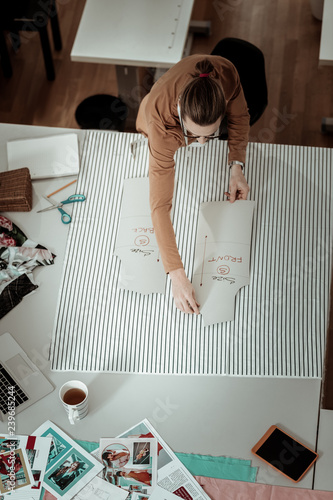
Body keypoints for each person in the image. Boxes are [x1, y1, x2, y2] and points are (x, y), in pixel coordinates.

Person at [136, 55, 250, 314]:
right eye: (194, 135)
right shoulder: (161, 125)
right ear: (179, 108)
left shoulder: (227, 74)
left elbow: (240, 117)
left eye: (210, 135)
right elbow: (160, 205)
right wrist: (176, 274)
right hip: (153, 120)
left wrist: (236, 165)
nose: (200, 144)